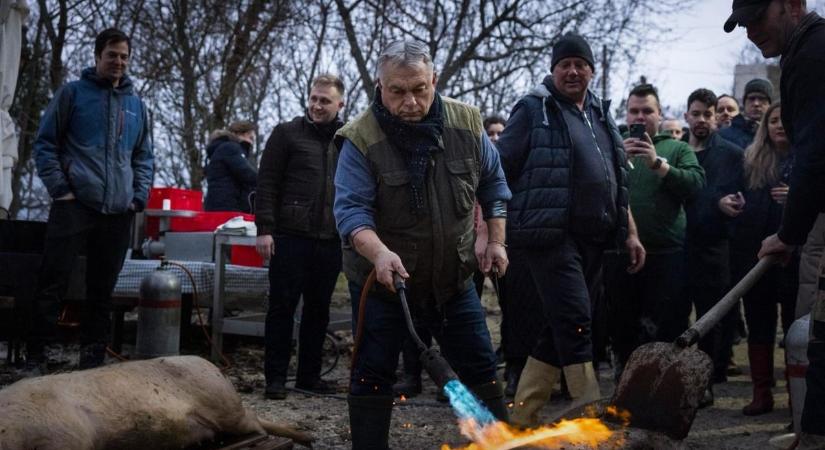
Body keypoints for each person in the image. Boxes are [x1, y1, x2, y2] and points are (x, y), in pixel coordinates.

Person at [333, 40, 512, 449]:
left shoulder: (467, 124)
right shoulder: (360, 138)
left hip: (454, 281)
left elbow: (494, 185)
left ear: (434, 81)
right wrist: (378, 253)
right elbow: (351, 212)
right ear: (380, 87)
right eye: (397, 91)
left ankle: (499, 443)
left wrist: (495, 240)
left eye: (419, 89)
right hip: (385, 283)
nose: (410, 101)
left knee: (481, 368)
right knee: (371, 373)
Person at [496, 33, 644, 428]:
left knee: (559, 323)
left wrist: (629, 231)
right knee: (577, 318)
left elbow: (617, 178)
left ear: (592, 70)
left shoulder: (599, 112)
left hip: (597, 238)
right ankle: (590, 412)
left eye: (580, 64)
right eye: (565, 64)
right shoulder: (532, 109)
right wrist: (488, 228)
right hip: (550, 235)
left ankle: (523, 415)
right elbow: (498, 167)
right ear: (553, 69)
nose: (573, 71)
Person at [725, 0, 825, 444]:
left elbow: (815, 157)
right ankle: (813, 431)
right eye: (742, 23)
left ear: (792, 4)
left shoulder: (811, 54)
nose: (749, 31)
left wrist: (788, 234)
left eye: (757, 19)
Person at [27, 28, 154, 373]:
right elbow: (45, 145)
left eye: (124, 56)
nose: (118, 62)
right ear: (98, 56)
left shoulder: (136, 106)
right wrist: (62, 191)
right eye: (112, 55)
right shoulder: (72, 94)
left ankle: (92, 361)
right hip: (74, 206)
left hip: (118, 211)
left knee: (102, 289)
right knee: (53, 281)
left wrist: (137, 197)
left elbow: (144, 157)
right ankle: (37, 357)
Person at [255, 74, 346, 400]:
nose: (317, 105)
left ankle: (309, 377)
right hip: (289, 237)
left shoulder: (346, 139)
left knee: (319, 311)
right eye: (314, 98)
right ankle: (275, 379)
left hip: (330, 239)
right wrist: (265, 230)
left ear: (340, 104)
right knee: (282, 308)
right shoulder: (286, 134)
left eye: (325, 100)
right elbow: (267, 184)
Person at [605, 83, 705, 378]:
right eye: (634, 111)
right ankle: (625, 388)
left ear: (660, 114)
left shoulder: (677, 147)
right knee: (622, 325)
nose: (640, 117)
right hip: (618, 253)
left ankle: (668, 384)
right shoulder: (612, 145)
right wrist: (616, 161)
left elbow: (696, 185)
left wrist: (657, 164)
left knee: (668, 326)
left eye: (647, 110)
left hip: (667, 254)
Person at [724, 102, 798, 416]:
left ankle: (799, 396)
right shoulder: (750, 162)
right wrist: (726, 202)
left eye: (786, 120)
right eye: (774, 121)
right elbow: (728, 194)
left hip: (796, 257)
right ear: (765, 127)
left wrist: (796, 196)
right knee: (759, 324)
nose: (779, 126)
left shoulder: (807, 159)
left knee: (796, 326)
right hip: (754, 257)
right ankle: (761, 393)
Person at [681, 88, 744, 406]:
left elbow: (733, 196)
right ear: (686, 116)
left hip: (714, 246)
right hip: (678, 245)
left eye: (708, 114)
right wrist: (712, 201)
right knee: (675, 315)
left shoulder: (731, 154)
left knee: (712, 317)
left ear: (716, 118)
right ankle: (676, 379)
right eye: (696, 113)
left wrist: (725, 204)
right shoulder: (676, 152)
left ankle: (707, 379)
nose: (702, 120)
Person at [204, 121, 258, 213]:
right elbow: (246, 174)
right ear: (240, 134)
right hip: (227, 208)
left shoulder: (226, 149)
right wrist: (268, 182)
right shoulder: (230, 148)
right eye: (250, 137)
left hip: (221, 206)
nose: (251, 142)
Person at [719, 78, 773, 149]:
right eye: (751, 98)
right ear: (744, 103)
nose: (756, 104)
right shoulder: (723, 136)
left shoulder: (777, 134)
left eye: (762, 98)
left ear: (769, 104)